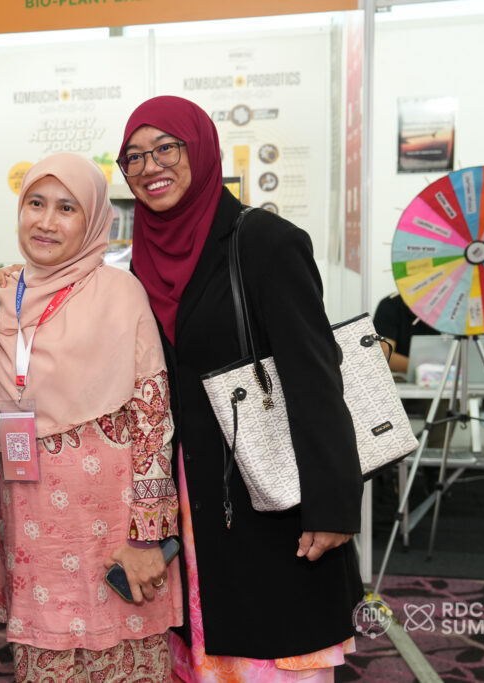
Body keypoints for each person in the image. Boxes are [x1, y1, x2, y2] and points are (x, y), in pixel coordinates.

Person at [120, 96, 363, 681]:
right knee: (203, 655)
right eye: (134, 157)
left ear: (201, 150)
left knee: (275, 655)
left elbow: (315, 375)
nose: (151, 167)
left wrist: (332, 506)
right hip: (190, 503)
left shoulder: (265, 242)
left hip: (272, 500)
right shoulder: (138, 264)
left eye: (166, 148)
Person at [0, 153, 183, 681]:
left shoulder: (121, 294)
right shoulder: (1, 293)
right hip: (33, 537)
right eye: (35, 203)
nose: (46, 222)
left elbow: (153, 420)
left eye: (67, 208)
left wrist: (147, 536)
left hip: (115, 537)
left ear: (94, 219)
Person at [373, 292, 439, 375]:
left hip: (440, 376)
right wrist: (427, 370)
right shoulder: (390, 305)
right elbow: (384, 356)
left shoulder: (445, 309)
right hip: (399, 378)